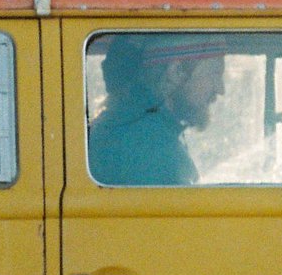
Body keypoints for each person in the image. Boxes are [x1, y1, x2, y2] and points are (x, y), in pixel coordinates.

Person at [89, 37, 226, 186]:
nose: (221, 89)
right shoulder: (146, 144)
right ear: (176, 71)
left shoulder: (135, 126)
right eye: (214, 73)